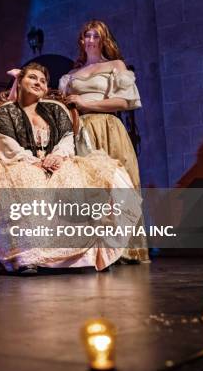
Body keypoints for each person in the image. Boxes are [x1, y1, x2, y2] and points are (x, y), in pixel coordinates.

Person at [0, 63, 141, 272]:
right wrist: (32, 160)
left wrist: (58, 156)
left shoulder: (56, 109)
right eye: (33, 78)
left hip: (57, 160)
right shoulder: (6, 111)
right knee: (26, 180)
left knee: (84, 177)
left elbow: (66, 138)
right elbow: (7, 144)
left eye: (43, 81)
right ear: (20, 82)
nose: (39, 83)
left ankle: (82, 255)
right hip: (20, 162)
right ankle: (28, 257)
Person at [59, 20, 148, 262]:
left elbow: (125, 102)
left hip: (108, 127)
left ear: (103, 40)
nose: (91, 40)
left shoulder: (115, 66)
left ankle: (126, 249)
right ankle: (96, 250)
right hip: (81, 131)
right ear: (81, 41)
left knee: (118, 186)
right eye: (87, 36)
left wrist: (87, 103)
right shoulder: (71, 76)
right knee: (90, 189)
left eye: (96, 36)